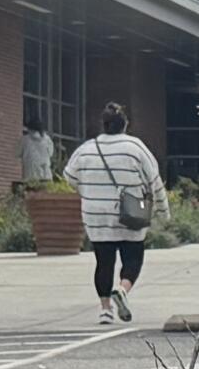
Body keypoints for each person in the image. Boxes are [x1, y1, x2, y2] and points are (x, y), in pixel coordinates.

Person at [63, 104, 168, 323]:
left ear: (104, 124)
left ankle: (105, 310)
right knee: (133, 257)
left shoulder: (86, 149)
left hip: (96, 214)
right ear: (125, 125)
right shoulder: (135, 147)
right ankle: (122, 289)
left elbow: (69, 176)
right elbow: (154, 179)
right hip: (131, 210)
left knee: (103, 261)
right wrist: (162, 209)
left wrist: (89, 190)